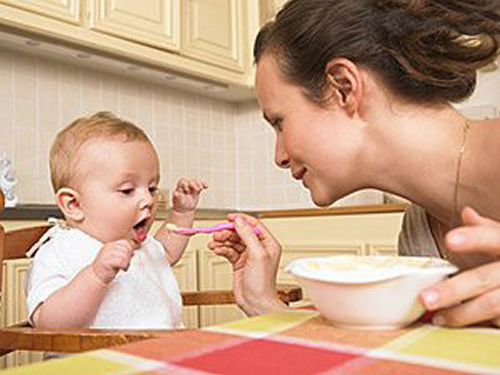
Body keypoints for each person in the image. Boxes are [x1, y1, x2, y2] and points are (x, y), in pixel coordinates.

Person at [209, 0, 500, 327]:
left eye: (279, 122)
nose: (280, 157)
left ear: (343, 87)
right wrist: (261, 301)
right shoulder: (419, 231)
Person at [25, 111, 208, 329]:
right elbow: (49, 325)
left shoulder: (140, 244)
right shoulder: (60, 251)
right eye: (127, 190)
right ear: (73, 205)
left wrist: (182, 213)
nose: (148, 199)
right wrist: (96, 275)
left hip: (162, 354)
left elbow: (166, 252)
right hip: (97, 362)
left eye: (152, 188)